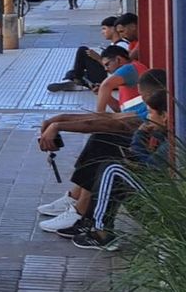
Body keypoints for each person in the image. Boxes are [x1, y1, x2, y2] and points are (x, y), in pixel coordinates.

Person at [37, 72, 169, 250]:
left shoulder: (162, 117)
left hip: (157, 197)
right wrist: (59, 121)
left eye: (144, 98)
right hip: (151, 174)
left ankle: (92, 222)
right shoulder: (159, 111)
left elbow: (118, 124)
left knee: (110, 164)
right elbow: (114, 118)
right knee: (104, 142)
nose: (142, 102)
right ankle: (77, 203)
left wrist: (59, 124)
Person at [47, 15, 127, 92]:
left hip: (110, 78)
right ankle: (78, 81)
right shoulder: (114, 44)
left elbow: (115, 70)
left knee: (83, 51)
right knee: (73, 72)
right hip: (107, 76)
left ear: (113, 29)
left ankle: (78, 81)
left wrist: (98, 58)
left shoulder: (121, 46)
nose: (102, 32)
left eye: (104, 29)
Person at [92, 45, 147, 114]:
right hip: (133, 118)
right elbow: (119, 110)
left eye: (107, 64)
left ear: (118, 59)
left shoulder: (129, 68)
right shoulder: (128, 74)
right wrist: (106, 96)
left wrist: (98, 116)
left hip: (139, 119)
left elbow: (105, 85)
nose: (106, 69)